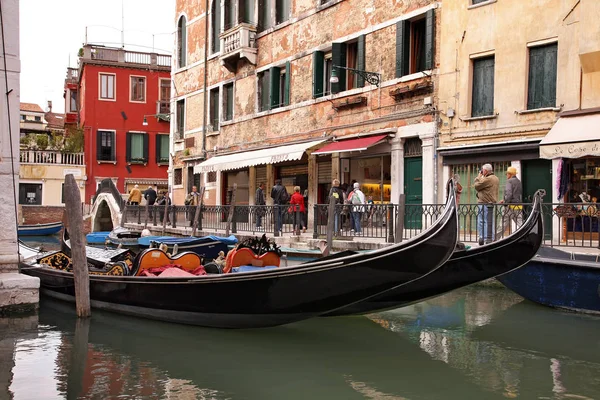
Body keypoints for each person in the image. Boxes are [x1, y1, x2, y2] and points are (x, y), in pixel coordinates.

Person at [474, 163, 499, 245]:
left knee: (482, 221)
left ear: (485, 171)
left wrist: (478, 176)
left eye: (482, 170)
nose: (482, 172)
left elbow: (477, 186)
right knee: (490, 221)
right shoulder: (495, 178)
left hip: (484, 203)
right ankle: (491, 237)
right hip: (490, 203)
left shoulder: (488, 179)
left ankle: (484, 238)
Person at [497, 166, 523, 238]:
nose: (506, 175)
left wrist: (505, 203)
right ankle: (527, 236)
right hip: (518, 206)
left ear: (510, 174)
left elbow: (509, 194)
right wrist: (504, 200)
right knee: (521, 224)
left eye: (507, 174)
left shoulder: (509, 181)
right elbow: (516, 194)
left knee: (502, 224)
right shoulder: (518, 182)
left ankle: (494, 240)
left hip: (510, 206)